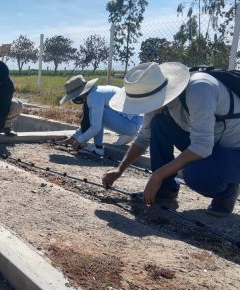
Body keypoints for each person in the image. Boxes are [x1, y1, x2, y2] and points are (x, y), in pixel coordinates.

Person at [102, 62, 240, 217]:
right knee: (159, 123)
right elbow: (143, 138)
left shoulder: (200, 88)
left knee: (195, 174)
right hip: (213, 143)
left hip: (233, 151)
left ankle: (227, 192)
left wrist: (158, 175)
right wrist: (119, 170)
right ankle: (166, 189)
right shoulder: (156, 100)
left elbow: (202, 146)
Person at [56, 75, 143, 156]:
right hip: (132, 122)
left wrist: (79, 140)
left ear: (80, 93)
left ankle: (98, 149)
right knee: (97, 115)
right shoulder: (96, 92)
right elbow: (88, 121)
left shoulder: (95, 97)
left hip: (131, 124)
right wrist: (73, 137)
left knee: (100, 115)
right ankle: (98, 147)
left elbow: (95, 127)